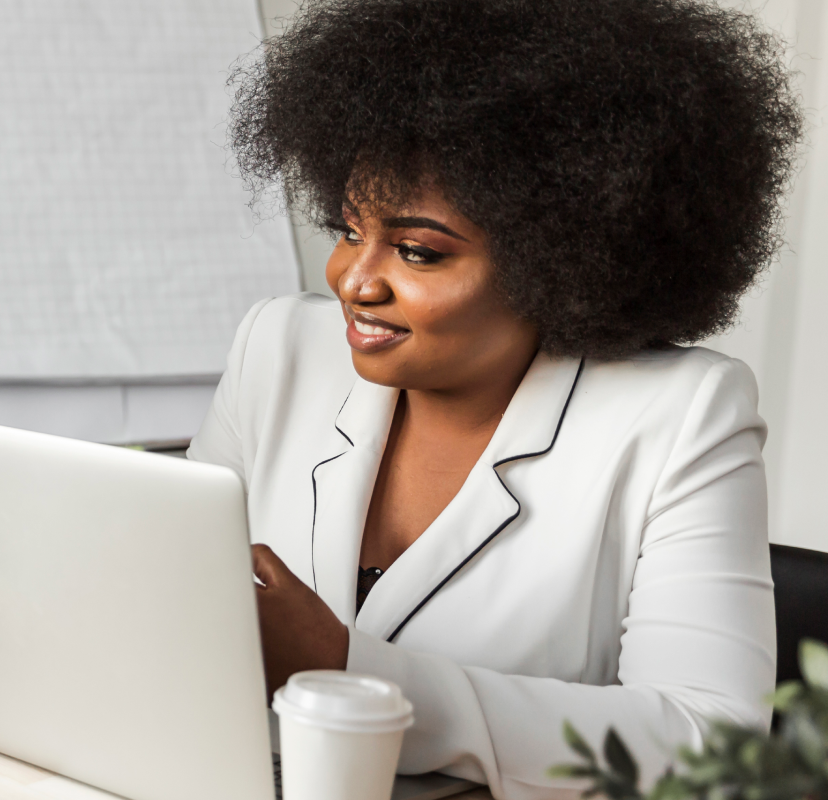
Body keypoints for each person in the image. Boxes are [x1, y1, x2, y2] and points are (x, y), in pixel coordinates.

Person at [202, 0, 801, 797]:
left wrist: (352, 673)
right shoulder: (276, 349)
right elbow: (162, 582)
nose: (354, 280)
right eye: (347, 229)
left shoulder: (682, 417)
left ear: (565, 258)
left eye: (417, 251)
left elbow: (710, 751)